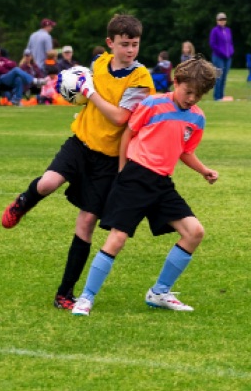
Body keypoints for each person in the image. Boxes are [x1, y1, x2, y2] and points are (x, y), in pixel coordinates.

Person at [1, 14, 155, 310]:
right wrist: (76, 91)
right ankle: (23, 202)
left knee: (86, 223)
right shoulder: (98, 64)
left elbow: (120, 117)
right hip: (80, 143)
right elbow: (83, 93)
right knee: (47, 183)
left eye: (135, 44)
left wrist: (89, 92)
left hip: (108, 159)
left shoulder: (140, 79)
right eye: (124, 44)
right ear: (110, 43)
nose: (130, 50)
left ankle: (64, 294)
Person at [72, 56, 218, 316]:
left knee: (194, 232)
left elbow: (185, 151)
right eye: (188, 92)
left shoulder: (197, 119)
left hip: (162, 184)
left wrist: (204, 170)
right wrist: (122, 171)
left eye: (198, 95)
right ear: (176, 82)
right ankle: (86, 297)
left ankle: (159, 292)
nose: (192, 98)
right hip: (135, 177)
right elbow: (128, 134)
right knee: (117, 239)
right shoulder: (152, 104)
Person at [209, 12, 234, 101]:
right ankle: (217, 97)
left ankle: (222, 96)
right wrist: (220, 52)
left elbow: (230, 43)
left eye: (224, 19)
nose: (222, 21)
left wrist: (231, 51)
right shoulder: (214, 31)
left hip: (227, 57)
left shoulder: (228, 30)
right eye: (220, 19)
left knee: (224, 77)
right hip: (218, 57)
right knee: (218, 76)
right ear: (217, 21)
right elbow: (212, 44)